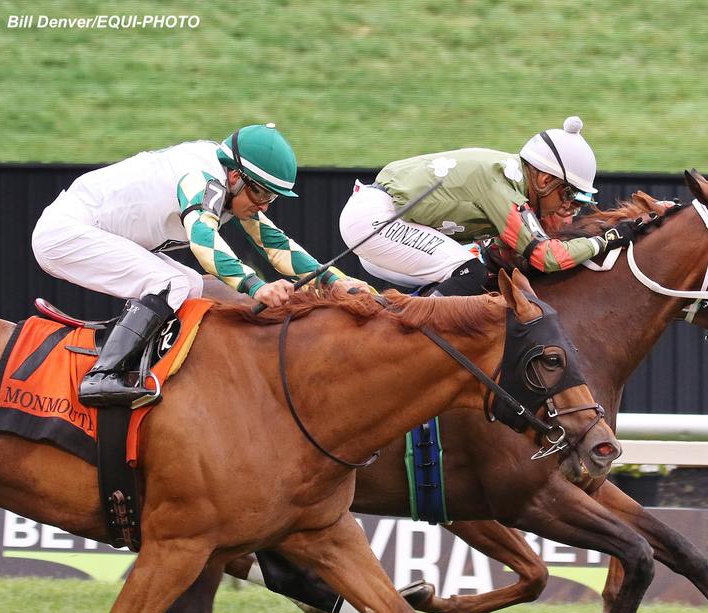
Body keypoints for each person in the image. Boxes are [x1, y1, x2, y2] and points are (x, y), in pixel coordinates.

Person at [32, 123, 343, 406]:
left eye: (272, 198)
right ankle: (102, 376)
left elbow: (276, 244)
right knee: (173, 283)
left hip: (96, 229)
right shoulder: (201, 178)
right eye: (260, 192)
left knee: (194, 286)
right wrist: (256, 287)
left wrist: (337, 283)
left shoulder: (231, 183)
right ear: (235, 176)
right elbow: (204, 242)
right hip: (67, 232)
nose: (263, 205)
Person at [338, 116, 636, 296]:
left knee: (482, 276)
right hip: (377, 221)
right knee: (471, 274)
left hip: (385, 224)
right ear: (545, 180)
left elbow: (499, 253)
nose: (571, 207)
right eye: (570, 195)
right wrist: (606, 240)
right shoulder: (502, 184)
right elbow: (548, 258)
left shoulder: (512, 179)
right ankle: (407, 339)